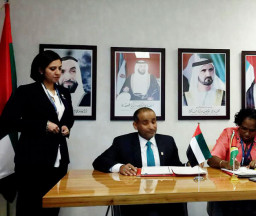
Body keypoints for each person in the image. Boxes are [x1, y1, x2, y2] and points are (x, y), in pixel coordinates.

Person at [0, 50, 74, 216]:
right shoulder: (26, 92)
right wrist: (43, 125)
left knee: (53, 207)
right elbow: (7, 121)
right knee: (30, 207)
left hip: (59, 160)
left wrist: (67, 127)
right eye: (52, 68)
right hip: (32, 161)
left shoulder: (64, 93)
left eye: (60, 68)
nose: (57, 73)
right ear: (41, 70)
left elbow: (68, 118)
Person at [92, 107, 187, 216]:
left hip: (164, 197)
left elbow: (176, 166)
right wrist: (120, 167)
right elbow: (99, 162)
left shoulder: (168, 141)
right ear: (135, 125)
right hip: (135, 199)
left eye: (154, 121)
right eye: (145, 123)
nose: (151, 127)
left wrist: (189, 165)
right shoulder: (122, 142)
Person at [207, 108, 256, 216]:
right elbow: (211, 159)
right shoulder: (229, 133)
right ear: (239, 125)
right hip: (229, 188)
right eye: (244, 128)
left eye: (252, 130)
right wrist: (225, 163)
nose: (247, 133)